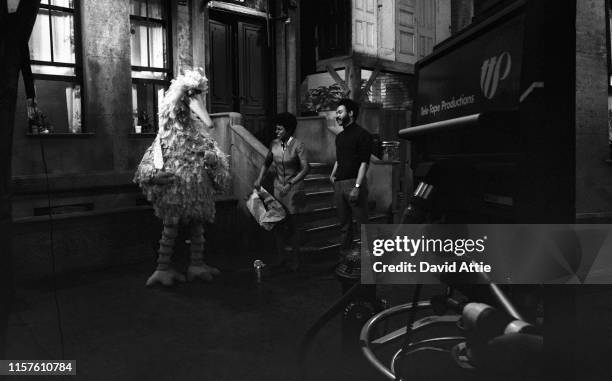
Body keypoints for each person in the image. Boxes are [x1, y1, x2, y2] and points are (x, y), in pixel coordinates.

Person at [134, 69, 231, 287]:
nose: (196, 101)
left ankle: (196, 264)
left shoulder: (201, 137)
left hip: (198, 196)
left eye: (198, 96)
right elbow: (144, 170)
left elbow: (220, 166)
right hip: (174, 196)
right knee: (170, 227)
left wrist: (213, 161)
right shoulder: (165, 138)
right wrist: (156, 176)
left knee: (198, 226)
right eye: (191, 96)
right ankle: (162, 267)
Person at [254, 112, 310, 272]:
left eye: (280, 129)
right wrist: (259, 178)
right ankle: (281, 258)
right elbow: (266, 163)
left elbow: (306, 168)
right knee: (277, 224)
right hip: (278, 188)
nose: (276, 131)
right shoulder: (274, 144)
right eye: (276, 128)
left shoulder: (299, 145)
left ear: (289, 129)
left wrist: (291, 183)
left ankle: (296, 259)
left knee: (293, 226)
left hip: (294, 189)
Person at [329, 98, 373, 254]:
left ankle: (368, 262)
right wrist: (333, 175)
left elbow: (364, 163)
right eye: (337, 113)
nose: (337, 116)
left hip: (355, 182)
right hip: (340, 184)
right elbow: (339, 159)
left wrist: (357, 186)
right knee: (344, 226)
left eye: (340, 112)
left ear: (351, 113)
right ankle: (345, 260)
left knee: (362, 226)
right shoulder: (339, 137)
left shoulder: (363, 135)